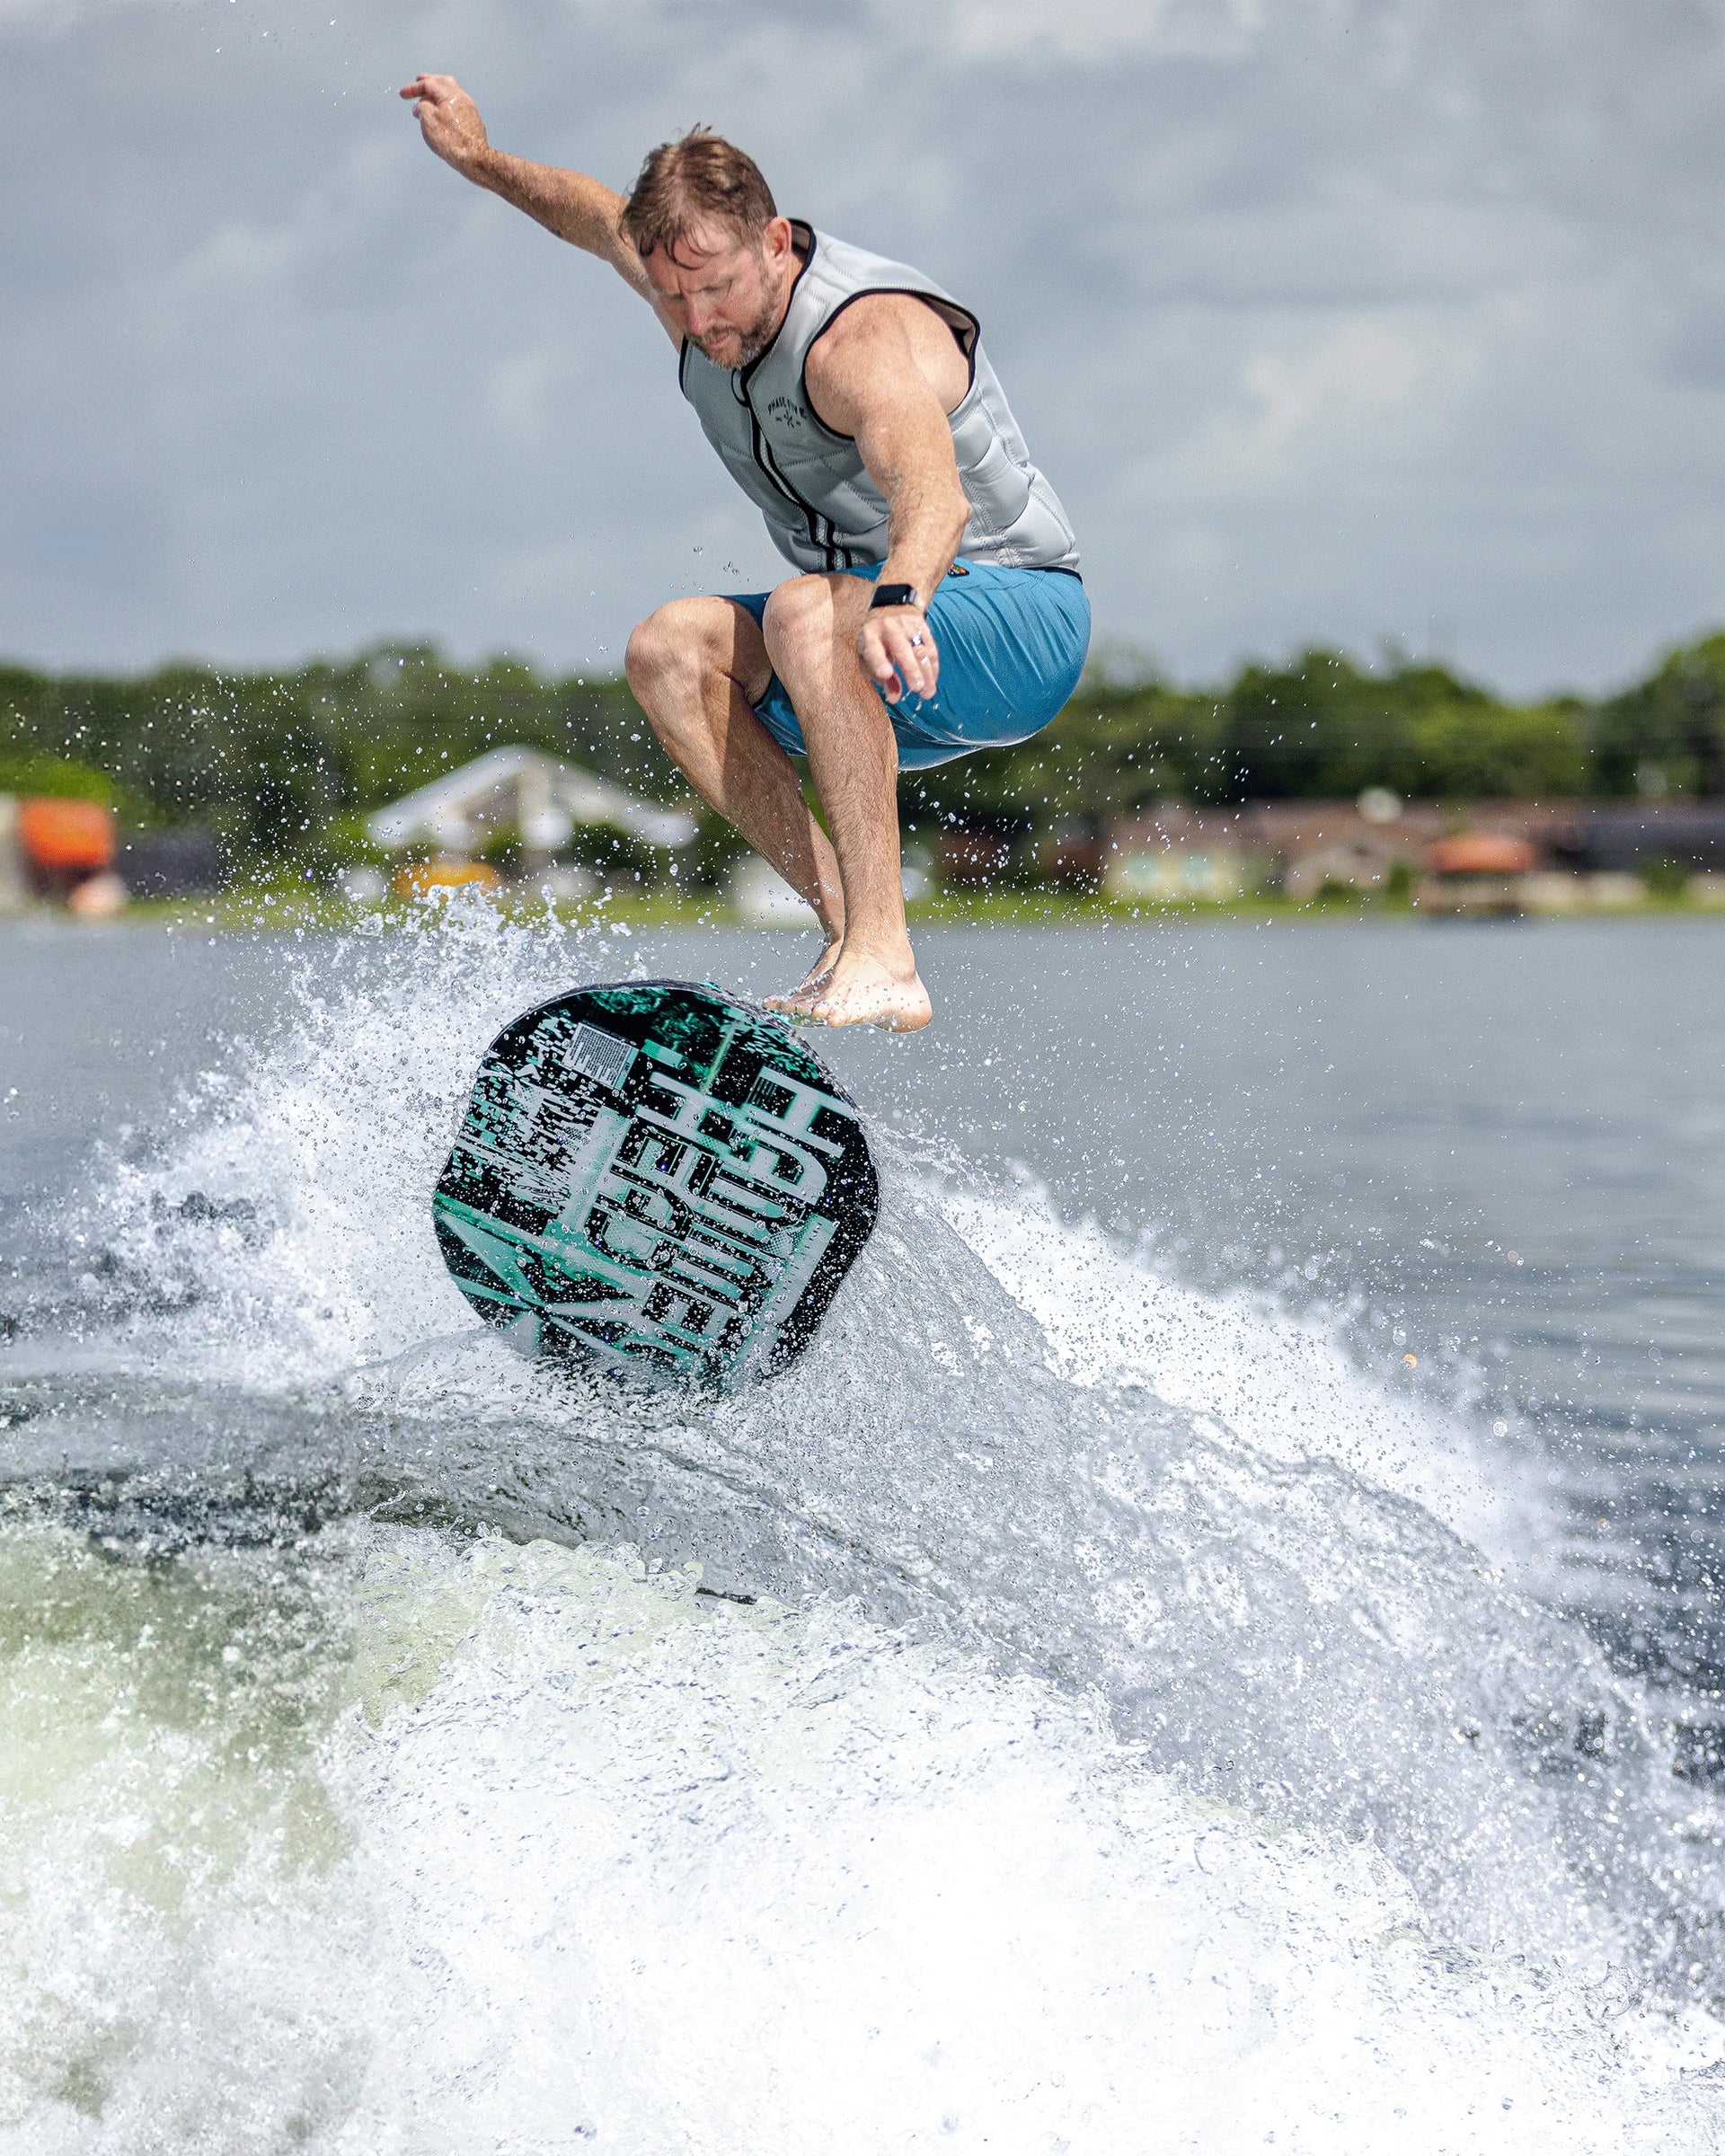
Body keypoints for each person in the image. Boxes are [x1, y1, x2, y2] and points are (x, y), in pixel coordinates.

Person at [401, 75, 1089, 1029]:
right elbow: (591, 214)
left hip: (1013, 620)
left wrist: (899, 600)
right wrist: (480, 160)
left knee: (809, 610)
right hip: (858, 657)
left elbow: (934, 494)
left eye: (716, 288)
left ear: (773, 242)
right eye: (674, 295)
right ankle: (848, 933)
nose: (698, 320)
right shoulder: (687, 284)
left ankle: (887, 955)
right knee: (668, 651)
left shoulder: (857, 339)